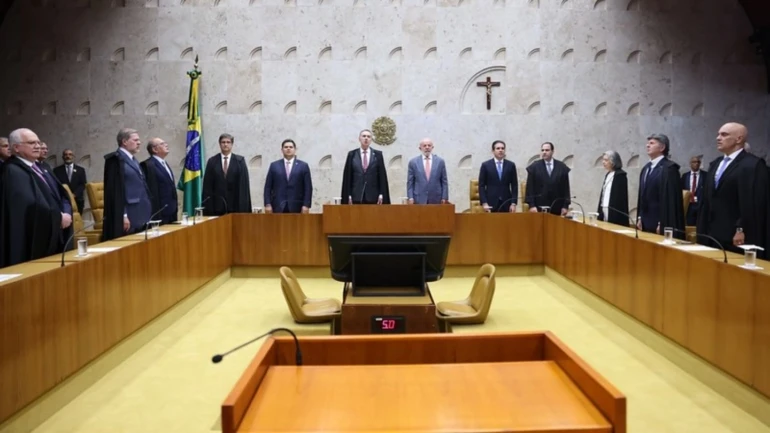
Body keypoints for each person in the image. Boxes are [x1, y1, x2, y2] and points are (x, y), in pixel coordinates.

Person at [1, 128, 71, 267]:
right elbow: (29, 204)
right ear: (16, 147)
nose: (38, 146)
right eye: (32, 143)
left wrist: (65, 212)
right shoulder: (12, 171)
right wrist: (58, 216)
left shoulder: (39, 167)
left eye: (38, 142)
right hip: (32, 239)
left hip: (55, 230)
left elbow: (59, 193)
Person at [697, 123, 768, 255]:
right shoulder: (715, 163)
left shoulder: (753, 165)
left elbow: (753, 203)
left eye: (724, 134)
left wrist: (741, 229)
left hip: (736, 235)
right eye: (718, 134)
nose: (718, 138)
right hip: (711, 233)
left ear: (739, 139)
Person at [102, 128, 152, 240]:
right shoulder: (115, 160)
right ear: (124, 142)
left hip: (141, 212)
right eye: (135, 140)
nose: (139, 143)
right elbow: (115, 191)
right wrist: (123, 215)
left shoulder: (133, 159)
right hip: (129, 215)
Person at [636, 134, 685, 238]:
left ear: (662, 147)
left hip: (661, 223)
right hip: (645, 223)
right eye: (648, 143)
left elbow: (670, 200)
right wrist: (640, 217)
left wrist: (663, 223)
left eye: (652, 143)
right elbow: (642, 196)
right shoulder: (646, 168)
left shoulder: (669, 169)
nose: (647, 145)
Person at [202, 133, 252, 215]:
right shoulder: (212, 162)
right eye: (223, 142)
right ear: (219, 144)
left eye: (228, 142)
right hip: (217, 208)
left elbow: (244, 187)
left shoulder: (240, 161)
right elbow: (207, 187)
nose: (225, 144)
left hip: (235, 207)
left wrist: (243, 208)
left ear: (232, 144)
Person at [341, 129, 390, 204]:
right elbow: (348, 177)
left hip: (373, 196)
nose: (366, 138)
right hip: (356, 196)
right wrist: (348, 194)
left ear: (371, 140)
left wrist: (381, 193)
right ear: (359, 139)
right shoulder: (352, 154)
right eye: (364, 136)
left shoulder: (378, 155)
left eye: (368, 137)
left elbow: (382, 177)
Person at [264, 139, 312, 213]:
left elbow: (308, 187)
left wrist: (306, 205)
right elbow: (268, 187)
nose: (288, 149)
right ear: (282, 150)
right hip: (277, 205)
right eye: (286, 147)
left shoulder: (303, 166)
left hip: (297, 205)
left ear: (295, 149)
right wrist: (267, 204)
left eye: (291, 147)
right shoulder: (274, 165)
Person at [525, 142, 570, 215]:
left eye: (547, 150)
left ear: (552, 151)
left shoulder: (561, 167)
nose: (544, 152)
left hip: (557, 206)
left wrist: (565, 206)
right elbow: (530, 188)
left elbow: (566, 188)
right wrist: (531, 205)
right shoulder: (534, 167)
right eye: (542, 150)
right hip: (539, 206)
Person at [141, 138, 178, 224]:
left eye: (165, 142)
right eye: (162, 143)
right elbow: (150, 192)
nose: (166, 145)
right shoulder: (147, 165)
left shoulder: (165, 164)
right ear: (154, 149)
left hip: (171, 212)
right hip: (159, 214)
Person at [478, 140, 517, 212]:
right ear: (493, 151)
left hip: (506, 203)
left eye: (502, 148)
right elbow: (481, 186)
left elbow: (514, 185)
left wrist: (513, 203)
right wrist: (484, 203)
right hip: (490, 203)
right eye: (498, 148)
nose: (500, 150)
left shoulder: (511, 165)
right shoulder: (485, 165)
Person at [407, 138, 448, 205]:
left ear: (432, 147)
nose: (427, 147)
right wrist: (410, 197)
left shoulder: (440, 162)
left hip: (436, 198)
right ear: (420, 148)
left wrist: (444, 197)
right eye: (424, 145)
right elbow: (410, 182)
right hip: (419, 198)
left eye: (429, 145)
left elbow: (444, 181)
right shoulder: (413, 162)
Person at [596, 150, 629, 226]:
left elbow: (621, 199)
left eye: (606, 160)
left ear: (613, 161)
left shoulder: (620, 175)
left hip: (614, 210)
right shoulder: (608, 174)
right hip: (604, 208)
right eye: (603, 160)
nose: (603, 162)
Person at [53, 148, 88, 213]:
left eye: (70, 154)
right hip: (63, 200)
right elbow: (56, 185)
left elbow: (83, 184)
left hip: (78, 200)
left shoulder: (81, 170)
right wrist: (66, 195)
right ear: (63, 157)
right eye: (65, 155)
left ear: (73, 157)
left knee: (77, 221)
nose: (68, 156)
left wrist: (74, 195)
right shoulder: (56, 171)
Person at [681, 156, 707, 226]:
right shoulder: (685, 176)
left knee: (701, 225)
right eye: (694, 162)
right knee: (689, 224)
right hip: (689, 205)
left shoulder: (706, 175)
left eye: (698, 162)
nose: (696, 164)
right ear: (690, 164)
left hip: (700, 205)